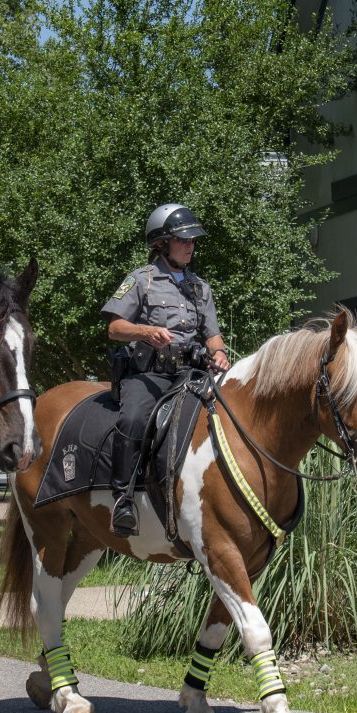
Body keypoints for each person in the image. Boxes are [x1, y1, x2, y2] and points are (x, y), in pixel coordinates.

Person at [99, 203, 230, 537]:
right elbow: (114, 328)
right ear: (161, 243)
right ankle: (123, 500)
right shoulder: (140, 281)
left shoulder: (201, 288)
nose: (190, 246)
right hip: (148, 374)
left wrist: (219, 354)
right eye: (182, 240)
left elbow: (212, 335)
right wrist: (146, 332)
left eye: (192, 240)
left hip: (190, 374)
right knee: (133, 419)